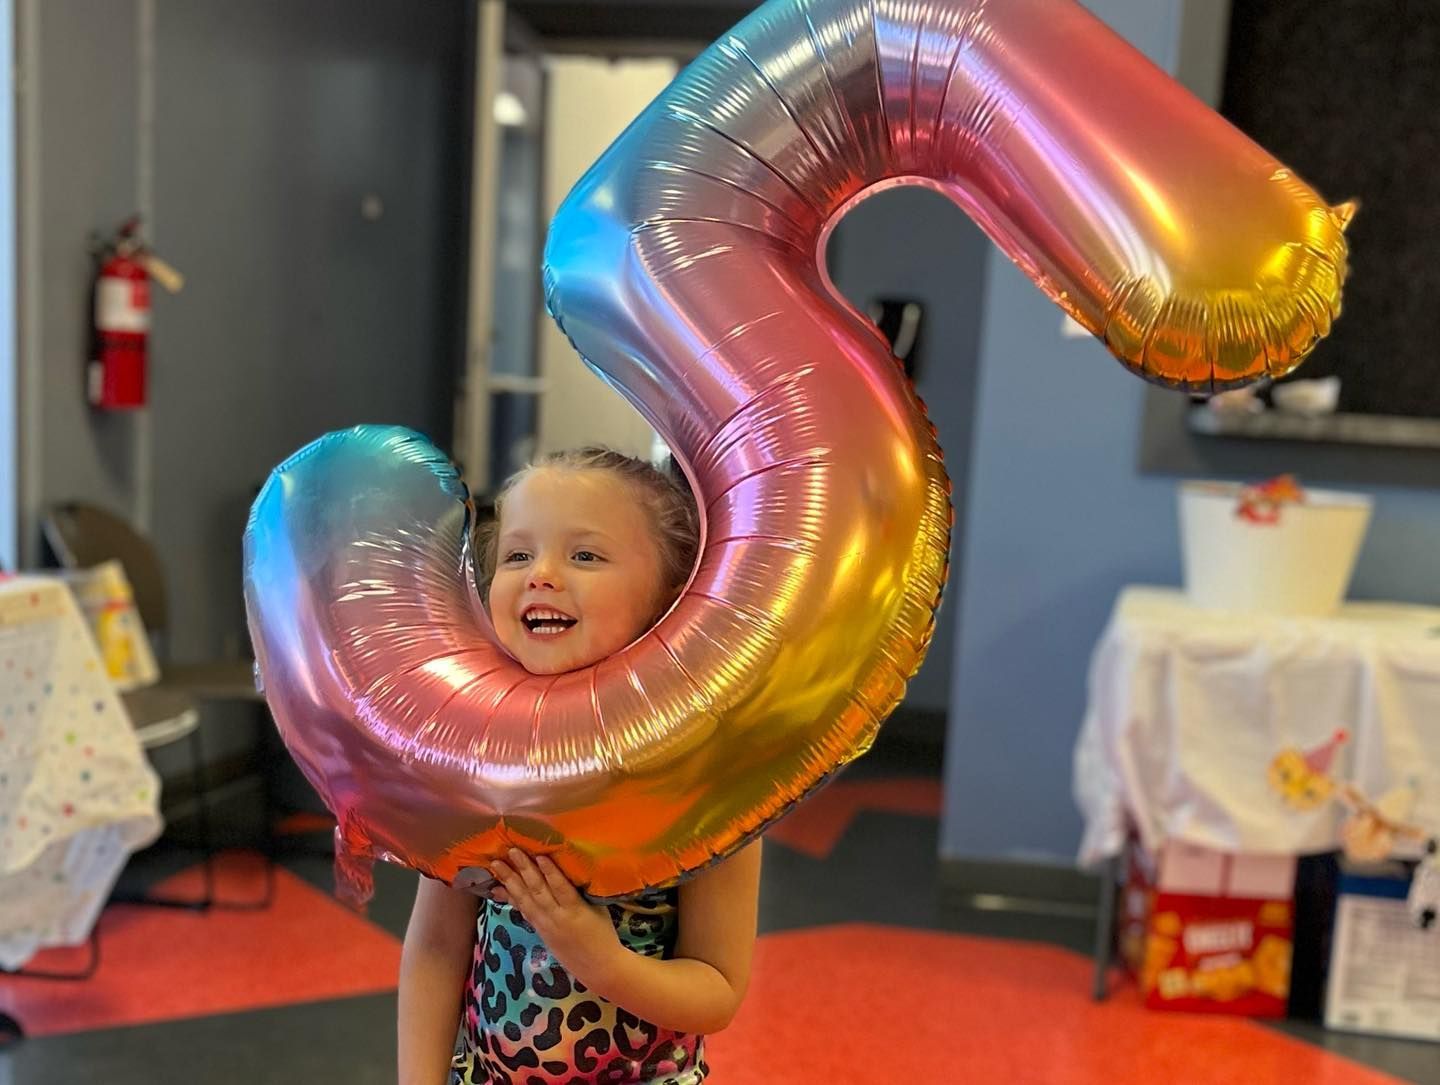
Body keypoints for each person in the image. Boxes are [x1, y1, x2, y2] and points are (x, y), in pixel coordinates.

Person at [398, 448, 763, 1085]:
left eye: (584, 555)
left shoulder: (703, 776)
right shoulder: (484, 754)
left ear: (670, 598)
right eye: (516, 554)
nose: (541, 574)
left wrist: (599, 957)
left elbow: (718, 990)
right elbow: (435, 947)